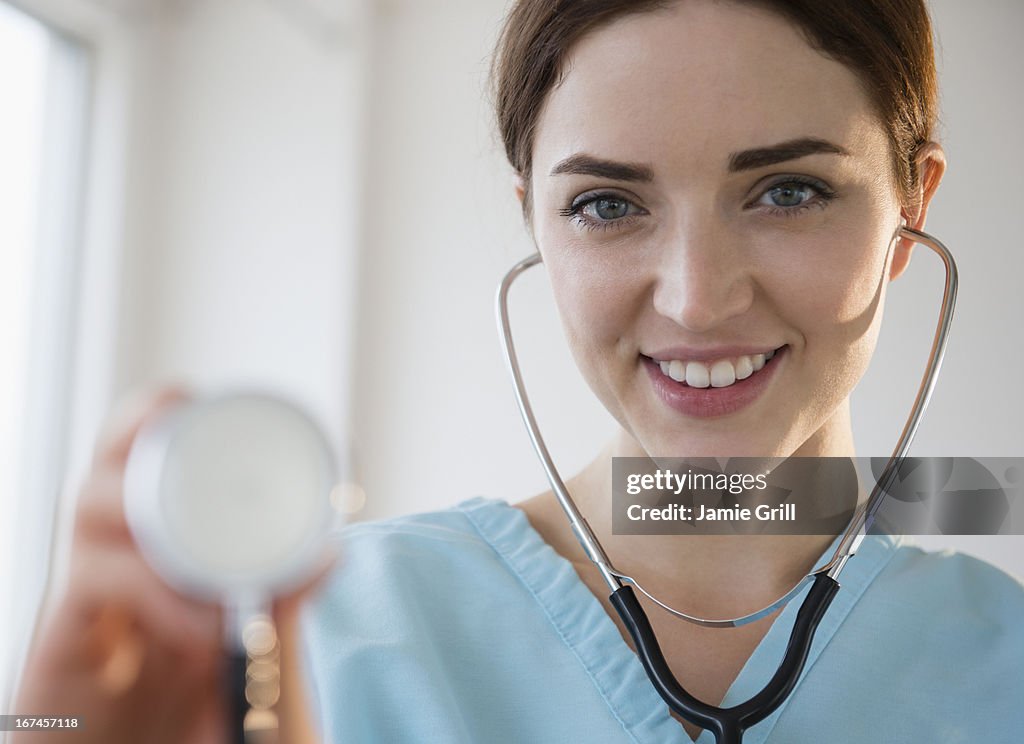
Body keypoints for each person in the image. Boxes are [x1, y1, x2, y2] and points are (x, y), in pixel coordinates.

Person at [12, 1, 1024, 742]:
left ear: (911, 206)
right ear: (532, 219)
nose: (696, 298)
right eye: (606, 205)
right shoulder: (308, 640)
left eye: (789, 190)